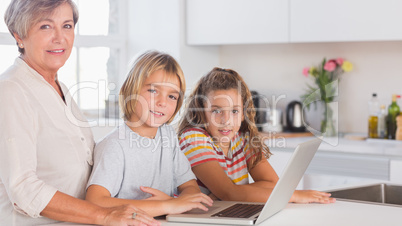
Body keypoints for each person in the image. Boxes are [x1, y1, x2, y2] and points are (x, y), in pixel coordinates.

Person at [0, 1, 158, 225]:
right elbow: (23, 188)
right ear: (19, 36)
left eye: (67, 26)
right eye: (45, 26)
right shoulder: (11, 90)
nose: (59, 37)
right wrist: (105, 215)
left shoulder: (59, 88)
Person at [178, 67, 336, 204]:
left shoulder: (242, 139)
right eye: (216, 111)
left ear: (243, 114)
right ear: (201, 112)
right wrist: (294, 195)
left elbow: (273, 183)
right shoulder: (194, 138)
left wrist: (231, 193)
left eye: (234, 111)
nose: (226, 121)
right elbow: (229, 194)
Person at [85, 50, 213, 217]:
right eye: (153, 91)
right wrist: (166, 206)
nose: (162, 102)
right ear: (130, 90)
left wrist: (174, 203)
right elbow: (95, 201)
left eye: (172, 96)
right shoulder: (114, 145)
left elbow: (190, 188)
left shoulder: (167, 136)